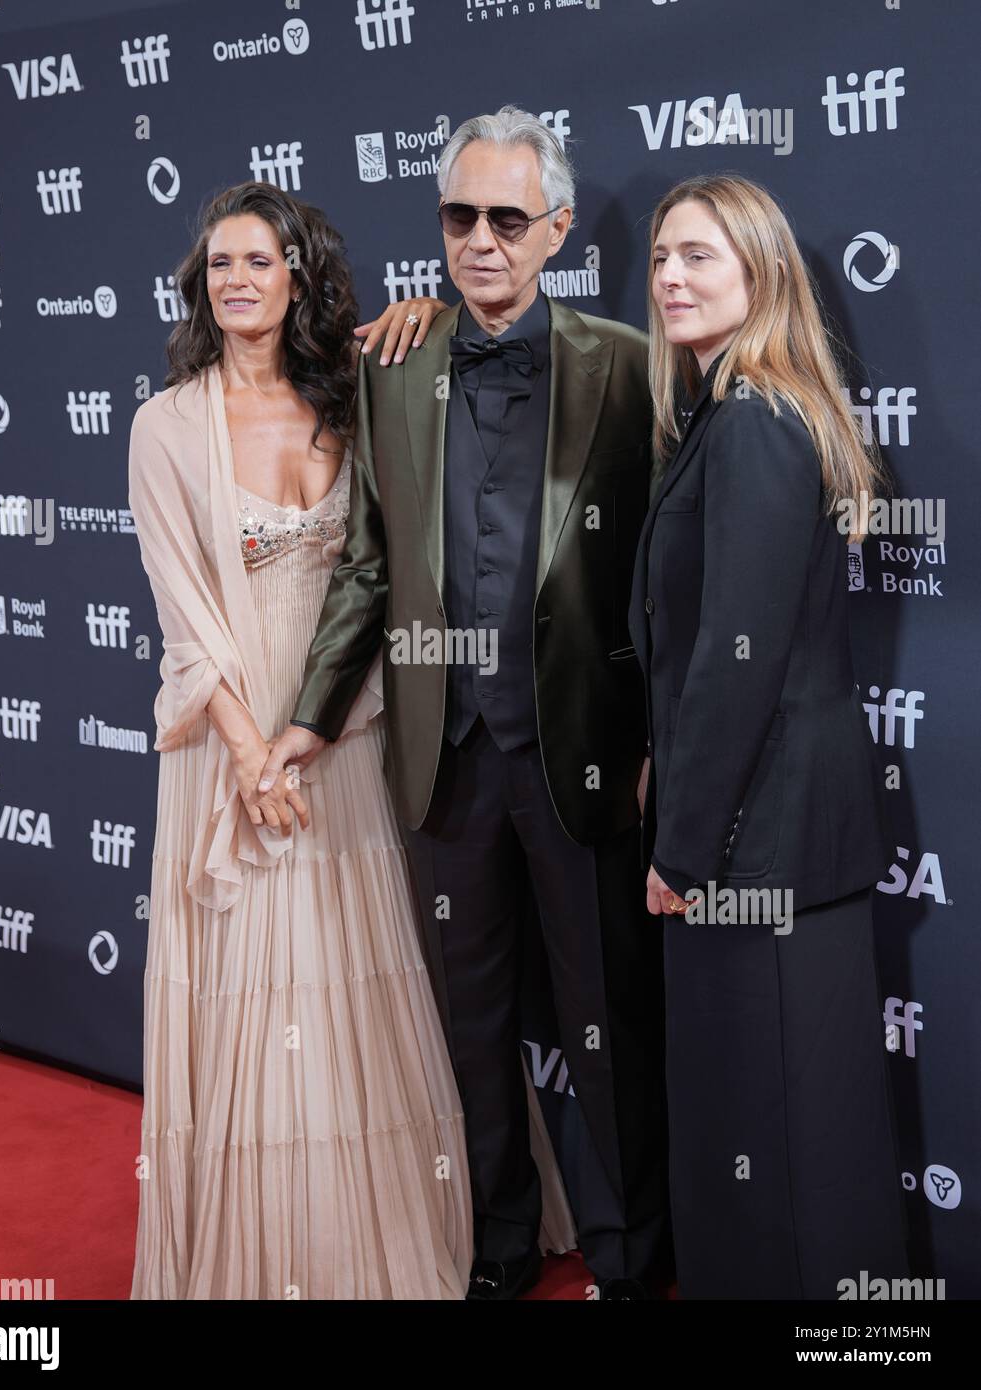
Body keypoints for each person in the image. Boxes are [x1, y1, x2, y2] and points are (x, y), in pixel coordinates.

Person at [125, 179, 574, 1299]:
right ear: (200, 285)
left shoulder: (357, 389)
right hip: (230, 745)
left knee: (373, 983)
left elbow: (376, 572)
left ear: (297, 277)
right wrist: (249, 751)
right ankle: (267, 1255)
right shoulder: (163, 426)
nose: (236, 280)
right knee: (255, 994)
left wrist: (305, 737)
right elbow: (181, 609)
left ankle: (404, 1228)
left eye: (259, 261)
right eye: (218, 264)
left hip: (346, 728)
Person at [261, 107, 672, 1301]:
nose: (479, 240)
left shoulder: (627, 363)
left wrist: (649, 740)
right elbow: (366, 563)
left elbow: (660, 578)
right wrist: (306, 714)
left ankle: (628, 1258)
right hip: (442, 761)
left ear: (552, 229)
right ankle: (496, 1251)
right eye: (458, 216)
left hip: (579, 757)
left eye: (506, 217)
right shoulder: (392, 364)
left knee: (605, 1025)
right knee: (473, 1029)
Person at [628, 173, 910, 1299]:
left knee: (771, 1144)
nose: (668, 277)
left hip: (753, 852)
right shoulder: (740, 416)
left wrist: (679, 846)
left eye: (698, 255)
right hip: (776, 836)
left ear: (759, 271)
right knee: (797, 1141)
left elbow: (733, 666)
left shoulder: (749, 425)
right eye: (658, 257)